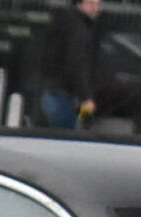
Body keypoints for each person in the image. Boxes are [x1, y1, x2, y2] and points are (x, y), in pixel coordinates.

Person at [37, 0, 101, 130]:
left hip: (53, 90)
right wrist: (86, 97)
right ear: (79, 5)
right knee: (66, 134)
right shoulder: (79, 29)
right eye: (91, 4)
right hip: (64, 94)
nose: (96, 8)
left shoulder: (65, 22)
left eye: (97, 4)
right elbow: (76, 64)